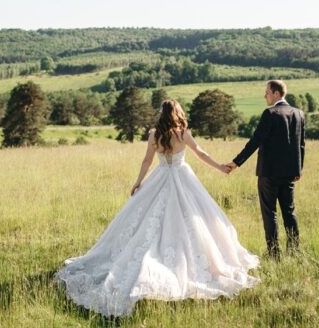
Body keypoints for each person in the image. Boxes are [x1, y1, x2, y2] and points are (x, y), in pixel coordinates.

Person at [54, 99, 261, 317]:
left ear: (161, 114)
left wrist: (138, 182)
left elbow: (146, 161)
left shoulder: (155, 135)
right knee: (192, 219)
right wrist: (221, 167)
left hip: (160, 177)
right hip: (183, 177)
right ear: (178, 113)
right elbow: (200, 153)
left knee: (149, 220)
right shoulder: (183, 134)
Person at [225, 80, 306, 262]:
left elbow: (255, 141)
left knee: (270, 213)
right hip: (289, 173)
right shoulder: (299, 114)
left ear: (276, 94)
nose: (265, 95)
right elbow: (301, 145)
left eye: (267, 92)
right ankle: (294, 251)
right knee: (289, 212)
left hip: (268, 172)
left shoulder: (270, 114)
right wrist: (298, 169)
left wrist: (236, 163)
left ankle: (274, 253)